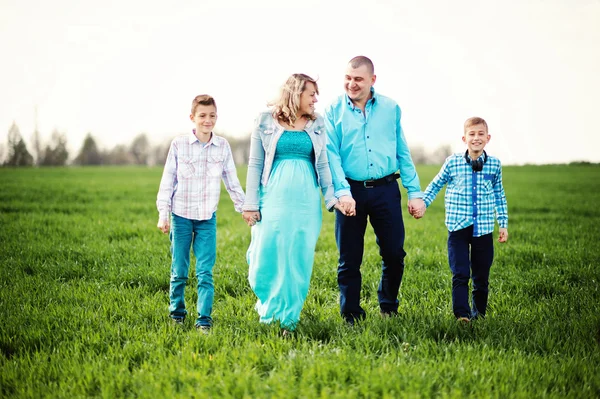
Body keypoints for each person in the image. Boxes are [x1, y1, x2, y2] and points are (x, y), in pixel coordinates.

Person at [242, 73, 352, 335]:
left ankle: (288, 320)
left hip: (305, 200)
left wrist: (332, 198)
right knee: (266, 253)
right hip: (273, 196)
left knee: (297, 256)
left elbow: (323, 163)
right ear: (296, 93)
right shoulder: (265, 120)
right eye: (311, 93)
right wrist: (250, 203)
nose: (316, 99)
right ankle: (270, 309)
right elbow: (255, 163)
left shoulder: (317, 123)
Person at [325, 56, 425, 325]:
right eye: (348, 77)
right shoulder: (333, 110)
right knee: (349, 258)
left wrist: (415, 192)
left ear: (372, 80)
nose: (351, 83)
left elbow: (401, 150)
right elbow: (331, 154)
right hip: (350, 192)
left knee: (394, 253)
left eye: (358, 79)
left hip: (386, 190)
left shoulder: (391, 108)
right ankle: (351, 315)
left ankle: (388, 307)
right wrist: (342, 192)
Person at [156, 94, 245, 332]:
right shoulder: (179, 145)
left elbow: (232, 181)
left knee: (205, 272)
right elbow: (167, 181)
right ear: (192, 118)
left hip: (207, 218)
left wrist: (244, 208)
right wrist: (163, 214)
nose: (208, 120)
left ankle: (203, 320)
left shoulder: (223, 146)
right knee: (179, 270)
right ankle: (177, 313)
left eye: (212, 116)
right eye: (203, 116)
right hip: (181, 216)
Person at [421, 116, 508, 322]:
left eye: (480, 134)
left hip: (484, 229)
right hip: (458, 227)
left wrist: (502, 223)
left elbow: (499, 194)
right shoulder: (452, 163)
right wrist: (423, 203)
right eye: (472, 134)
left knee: (481, 277)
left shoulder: (494, 165)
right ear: (464, 138)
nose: (476, 138)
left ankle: (479, 315)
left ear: (487, 138)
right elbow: (435, 184)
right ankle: (462, 315)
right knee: (460, 273)